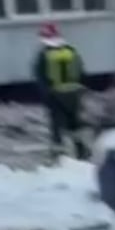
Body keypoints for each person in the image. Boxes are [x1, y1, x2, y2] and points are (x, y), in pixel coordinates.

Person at [32, 22, 89, 159]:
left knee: (56, 125)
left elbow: (40, 76)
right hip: (74, 93)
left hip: (55, 94)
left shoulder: (44, 54)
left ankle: (58, 154)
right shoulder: (71, 51)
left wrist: (45, 95)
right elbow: (81, 71)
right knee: (74, 123)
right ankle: (81, 150)